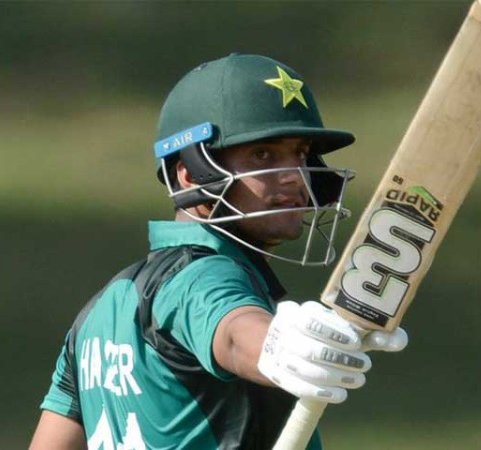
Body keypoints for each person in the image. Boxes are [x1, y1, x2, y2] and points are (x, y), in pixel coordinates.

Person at [30, 53, 407, 450]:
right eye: (263, 155)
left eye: (301, 153)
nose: (294, 175)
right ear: (190, 173)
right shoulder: (203, 276)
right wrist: (280, 348)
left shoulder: (98, 312)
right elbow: (232, 333)